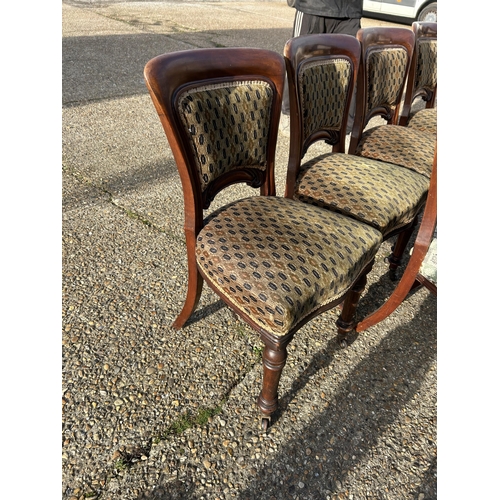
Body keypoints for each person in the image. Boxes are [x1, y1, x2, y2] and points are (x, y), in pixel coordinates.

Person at [282, 0, 363, 133]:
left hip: (350, 11)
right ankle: (290, 113)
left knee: (350, 69)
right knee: (298, 60)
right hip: (311, 7)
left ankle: (345, 127)